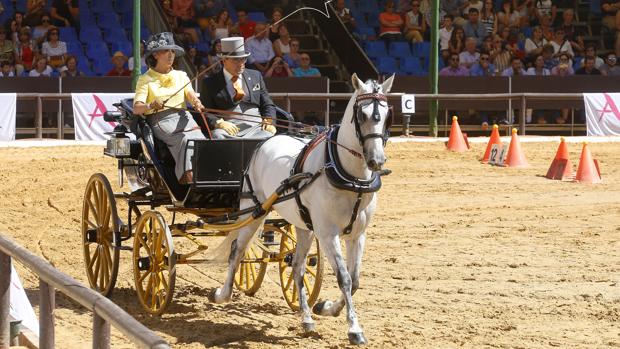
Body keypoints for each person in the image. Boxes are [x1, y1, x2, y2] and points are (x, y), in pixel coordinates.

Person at [134, 32, 206, 184]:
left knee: (201, 141)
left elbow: (190, 94)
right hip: (161, 120)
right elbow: (137, 108)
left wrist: (196, 103)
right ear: (155, 55)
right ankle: (187, 179)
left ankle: (205, 178)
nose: (171, 54)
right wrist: (151, 105)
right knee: (186, 140)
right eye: (166, 50)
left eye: (172, 51)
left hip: (184, 117)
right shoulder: (145, 79)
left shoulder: (181, 75)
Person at [200, 36, 277, 139]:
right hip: (228, 128)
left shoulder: (255, 76)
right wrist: (219, 123)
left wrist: (269, 120)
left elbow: (268, 104)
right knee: (217, 136)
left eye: (243, 59)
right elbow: (205, 111)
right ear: (224, 60)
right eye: (236, 60)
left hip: (257, 127)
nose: (241, 64)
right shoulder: (210, 82)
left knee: (270, 137)